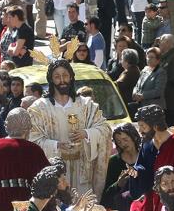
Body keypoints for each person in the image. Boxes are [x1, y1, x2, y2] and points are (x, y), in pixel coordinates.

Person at [28, 60, 112, 195]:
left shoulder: (86, 105)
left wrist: (86, 133)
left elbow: (105, 129)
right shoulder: (40, 108)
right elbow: (32, 139)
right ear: (51, 79)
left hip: (82, 169)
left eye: (65, 75)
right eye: (57, 76)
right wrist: (56, 145)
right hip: (54, 171)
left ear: (71, 77)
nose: (62, 80)